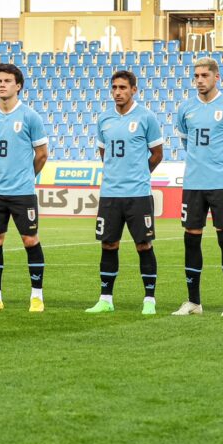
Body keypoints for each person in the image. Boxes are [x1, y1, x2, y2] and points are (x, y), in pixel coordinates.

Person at [172, 57, 223, 317]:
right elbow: (187, 144)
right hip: (194, 184)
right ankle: (193, 301)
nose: (199, 80)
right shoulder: (185, 109)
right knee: (190, 241)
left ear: (216, 77)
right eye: (196, 76)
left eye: (204, 75)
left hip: (221, 185)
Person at [85, 70, 164, 315]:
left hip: (138, 194)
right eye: (114, 88)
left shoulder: (146, 117)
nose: (118, 92)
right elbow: (103, 153)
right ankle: (106, 299)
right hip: (110, 194)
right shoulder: (104, 119)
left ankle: (149, 299)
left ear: (134, 90)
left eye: (123, 88)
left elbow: (157, 154)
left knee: (143, 244)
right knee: (108, 244)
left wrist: (140, 173)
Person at [0, 63, 49, 312]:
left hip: (22, 192)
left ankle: (36, 296)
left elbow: (41, 154)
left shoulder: (30, 116)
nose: (2, 85)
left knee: (30, 239)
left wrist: (27, 175)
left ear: (18, 86)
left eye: (7, 81)